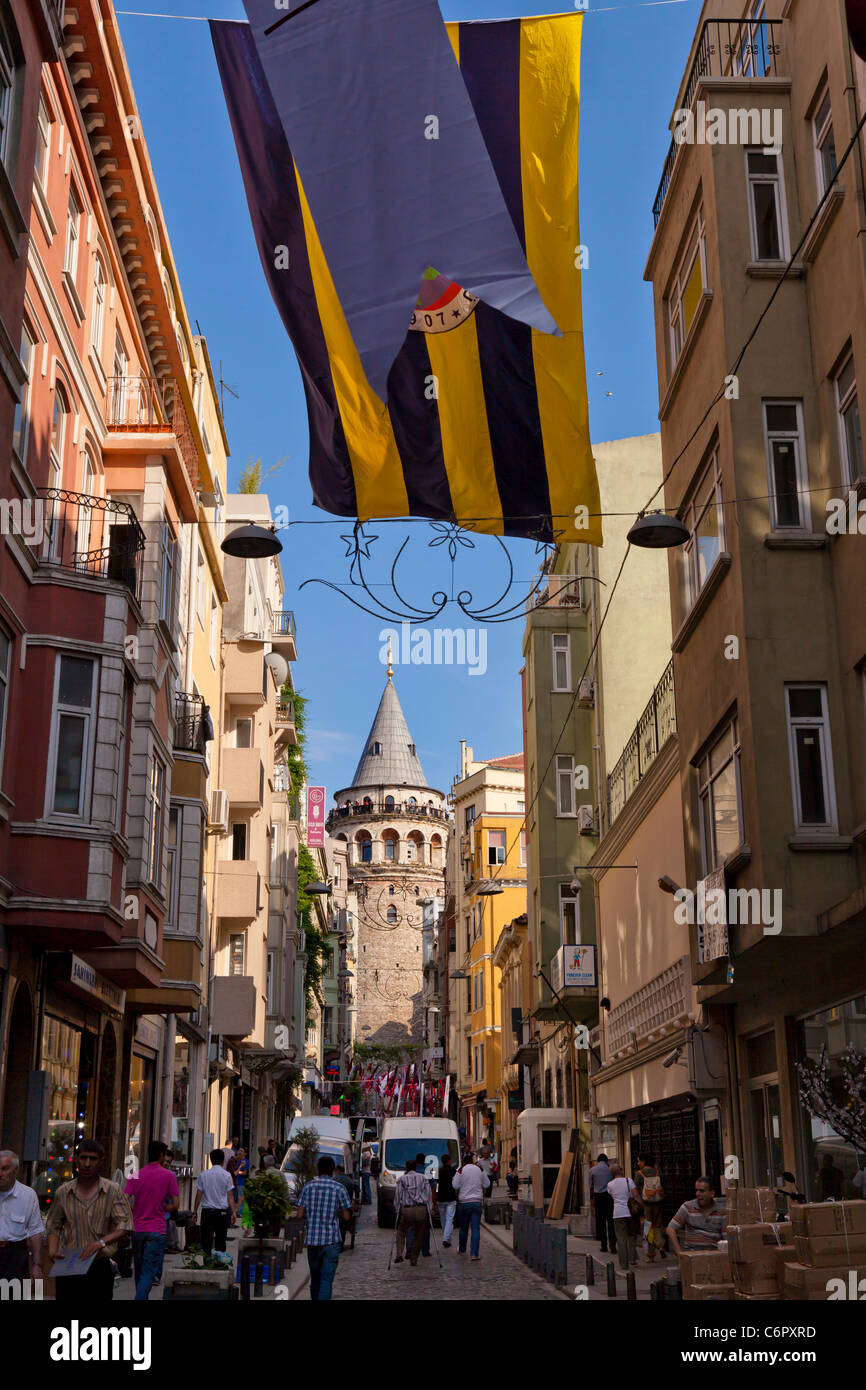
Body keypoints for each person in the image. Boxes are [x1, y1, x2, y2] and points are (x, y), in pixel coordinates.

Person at [46, 1139, 133, 1303]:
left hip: (99, 1265)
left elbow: (126, 1224)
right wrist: (52, 1250)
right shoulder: (63, 1192)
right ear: (77, 1158)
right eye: (83, 1158)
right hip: (69, 1265)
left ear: (101, 1161)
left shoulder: (112, 1190)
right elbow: (53, 1225)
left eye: (92, 1159)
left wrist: (100, 1242)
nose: (87, 1164)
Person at [124, 1139, 178, 1300]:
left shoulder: (135, 1175)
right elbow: (176, 1204)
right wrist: (163, 1208)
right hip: (157, 1229)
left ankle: (140, 1295)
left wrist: (134, 1210)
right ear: (161, 1155)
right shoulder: (168, 1176)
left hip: (137, 1228)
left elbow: (124, 1199)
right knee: (149, 1271)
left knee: (139, 1269)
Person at [297, 1155, 352, 1300]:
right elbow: (347, 1217)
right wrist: (336, 1212)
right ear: (333, 1170)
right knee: (326, 1280)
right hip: (331, 1241)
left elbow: (299, 1214)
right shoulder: (339, 1188)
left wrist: (312, 1214)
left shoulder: (308, 1187)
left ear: (318, 1170)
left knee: (315, 1279)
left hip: (313, 1241)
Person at [0, 1150, 44, 1290]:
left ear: (15, 1170)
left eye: (5, 1168)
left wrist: (37, 1265)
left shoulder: (28, 1195)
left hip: (16, 1256)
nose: (0, 1173)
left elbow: (35, 1232)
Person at [667, 1176, 727, 1254]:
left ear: (712, 1193)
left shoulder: (721, 1211)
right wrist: (679, 1252)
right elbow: (670, 1229)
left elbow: (726, 1239)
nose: (698, 1194)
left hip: (713, 1254)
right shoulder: (687, 1207)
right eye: (696, 1190)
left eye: (702, 1191)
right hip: (692, 1253)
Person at [193, 1149, 237, 1255]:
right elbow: (230, 1195)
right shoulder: (227, 1175)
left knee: (206, 1240)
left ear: (211, 1160)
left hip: (207, 1211)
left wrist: (195, 1211)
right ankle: (219, 1263)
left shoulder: (204, 1175)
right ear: (223, 1161)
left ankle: (207, 1262)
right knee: (221, 1239)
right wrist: (233, 1212)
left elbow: (199, 1194)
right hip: (222, 1212)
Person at [394, 1159, 432, 1267]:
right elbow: (428, 1194)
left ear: (406, 1168)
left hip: (407, 1210)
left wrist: (397, 1209)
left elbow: (398, 1195)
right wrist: (429, 1208)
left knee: (401, 1231)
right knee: (419, 1234)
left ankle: (399, 1253)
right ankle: (414, 1258)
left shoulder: (402, 1179)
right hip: (421, 1209)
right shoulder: (423, 1178)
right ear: (416, 1167)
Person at [453, 1153, 490, 1260]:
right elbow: (487, 1184)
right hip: (477, 1201)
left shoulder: (461, 1170)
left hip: (464, 1202)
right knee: (475, 1229)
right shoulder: (479, 1169)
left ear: (464, 1162)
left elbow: (455, 1185)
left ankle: (462, 1248)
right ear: (473, 1161)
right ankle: (474, 1253)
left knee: (463, 1228)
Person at [607, 1161, 641, 1271]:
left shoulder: (610, 1185)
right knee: (631, 1236)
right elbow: (635, 1194)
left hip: (617, 1213)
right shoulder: (628, 1180)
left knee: (621, 1239)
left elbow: (612, 1195)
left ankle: (624, 1264)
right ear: (621, 1170)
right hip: (630, 1212)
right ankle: (632, 1258)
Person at [635, 1152, 665, 1262]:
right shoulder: (657, 1172)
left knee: (648, 1229)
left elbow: (635, 1188)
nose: (638, 1163)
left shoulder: (639, 1174)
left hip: (646, 1205)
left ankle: (651, 1254)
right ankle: (661, 1244)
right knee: (657, 1226)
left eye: (639, 1161)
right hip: (658, 1203)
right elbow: (663, 1185)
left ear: (644, 1161)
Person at [589, 1153, 616, 1254]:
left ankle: (603, 1245)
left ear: (597, 1160)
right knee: (611, 1221)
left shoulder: (592, 1170)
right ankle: (613, 1245)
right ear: (606, 1160)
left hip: (598, 1197)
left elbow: (590, 1186)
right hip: (609, 1197)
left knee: (600, 1221)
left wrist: (592, 1199)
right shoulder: (611, 1169)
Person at [333, 1164, 356, 1250]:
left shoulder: (334, 1180)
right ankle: (341, 1245)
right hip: (346, 1208)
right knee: (342, 1226)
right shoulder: (349, 1181)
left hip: (335, 1207)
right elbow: (356, 1191)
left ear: (337, 1170)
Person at [437, 1152, 458, 1247]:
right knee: (449, 1219)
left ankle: (448, 1239)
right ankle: (446, 1239)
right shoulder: (453, 1171)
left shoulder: (439, 1171)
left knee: (443, 1220)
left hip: (441, 1198)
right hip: (450, 1198)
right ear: (449, 1161)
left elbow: (435, 1182)